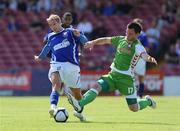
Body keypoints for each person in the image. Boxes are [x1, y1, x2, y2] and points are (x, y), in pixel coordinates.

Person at [67, 22, 157, 114]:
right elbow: (106, 40)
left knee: (134, 108)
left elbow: (144, 55)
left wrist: (150, 58)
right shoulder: (121, 39)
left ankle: (148, 101)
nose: (128, 35)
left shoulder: (138, 46)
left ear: (137, 34)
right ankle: (79, 104)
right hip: (113, 75)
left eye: (131, 34)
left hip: (126, 80)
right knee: (97, 86)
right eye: (127, 32)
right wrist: (93, 42)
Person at [34, 14, 87, 121]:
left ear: (59, 22)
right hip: (56, 64)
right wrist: (40, 57)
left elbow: (85, 41)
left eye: (54, 24)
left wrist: (80, 36)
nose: (53, 27)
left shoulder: (70, 32)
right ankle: (53, 107)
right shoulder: (50, 36)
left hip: (72, 66)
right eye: (50, 25)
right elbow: (47, 48)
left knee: (77, 94)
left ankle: (79, 110)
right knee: (56, 85)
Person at [133, 18, 149, 98]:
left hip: (140, 58)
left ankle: (140, 95)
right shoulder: (130, 34)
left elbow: (147, 48)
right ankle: (133, 94)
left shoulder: (143, 35)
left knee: (141, 76)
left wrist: (139, 54)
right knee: (132, 76)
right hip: (131, 58)